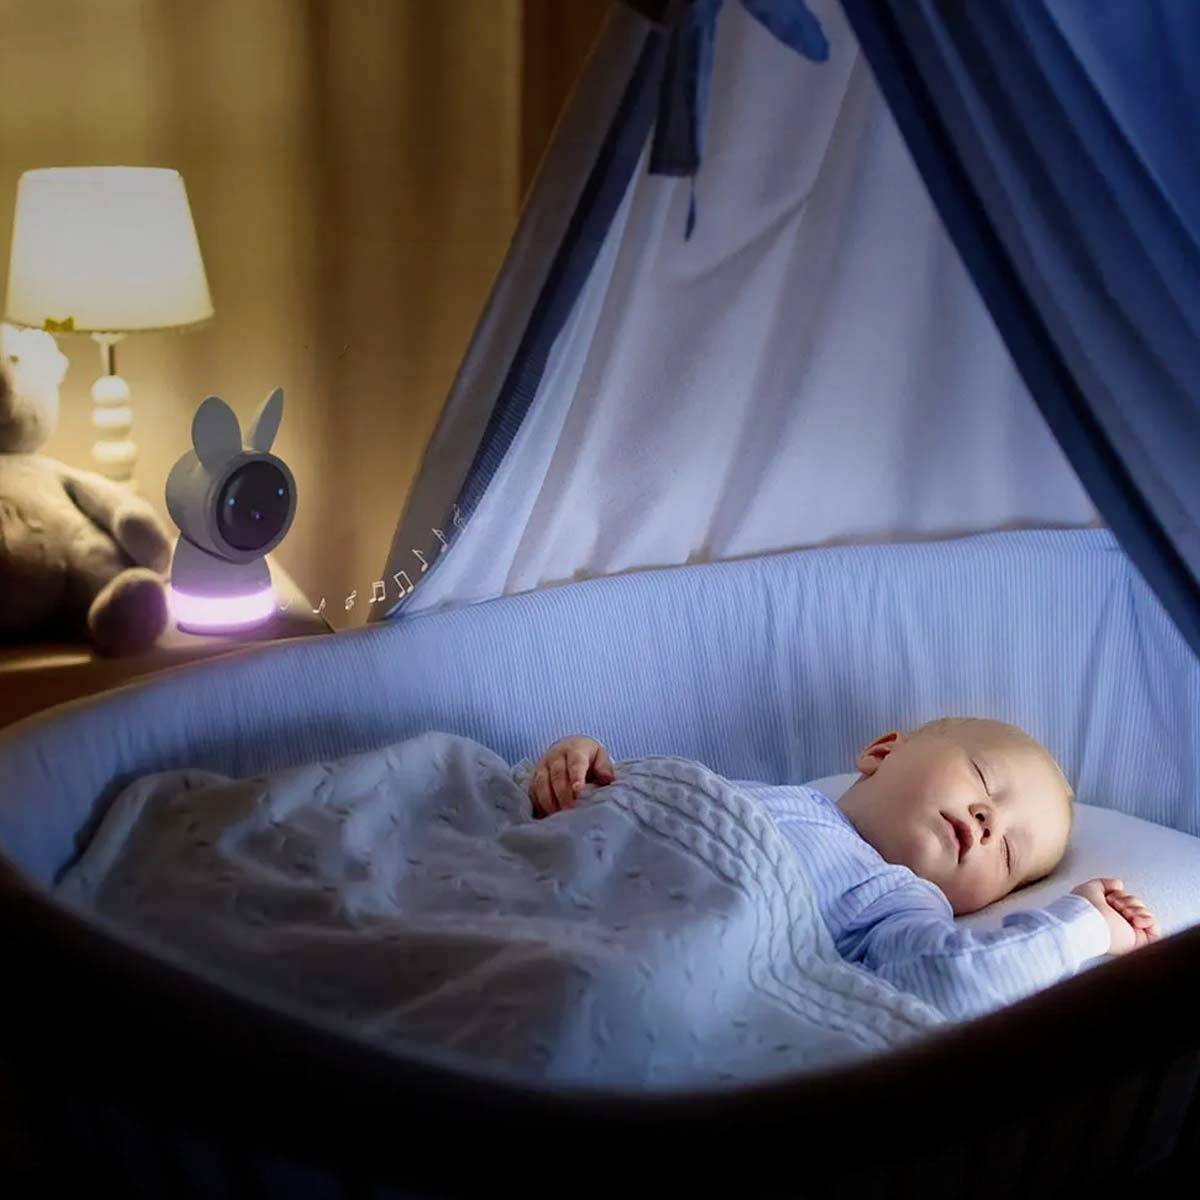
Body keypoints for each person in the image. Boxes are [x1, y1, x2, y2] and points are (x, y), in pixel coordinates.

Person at [525, 717, 1161, 1022]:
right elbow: (646, 801)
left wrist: (1084, 926)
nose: (990, 819)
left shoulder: (898, 902)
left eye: (1010, 855)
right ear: (882, 752)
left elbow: (957, 979)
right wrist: (583, 767)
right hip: (570, 880)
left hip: (650, 959)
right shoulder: (764, 795)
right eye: (985, 779)